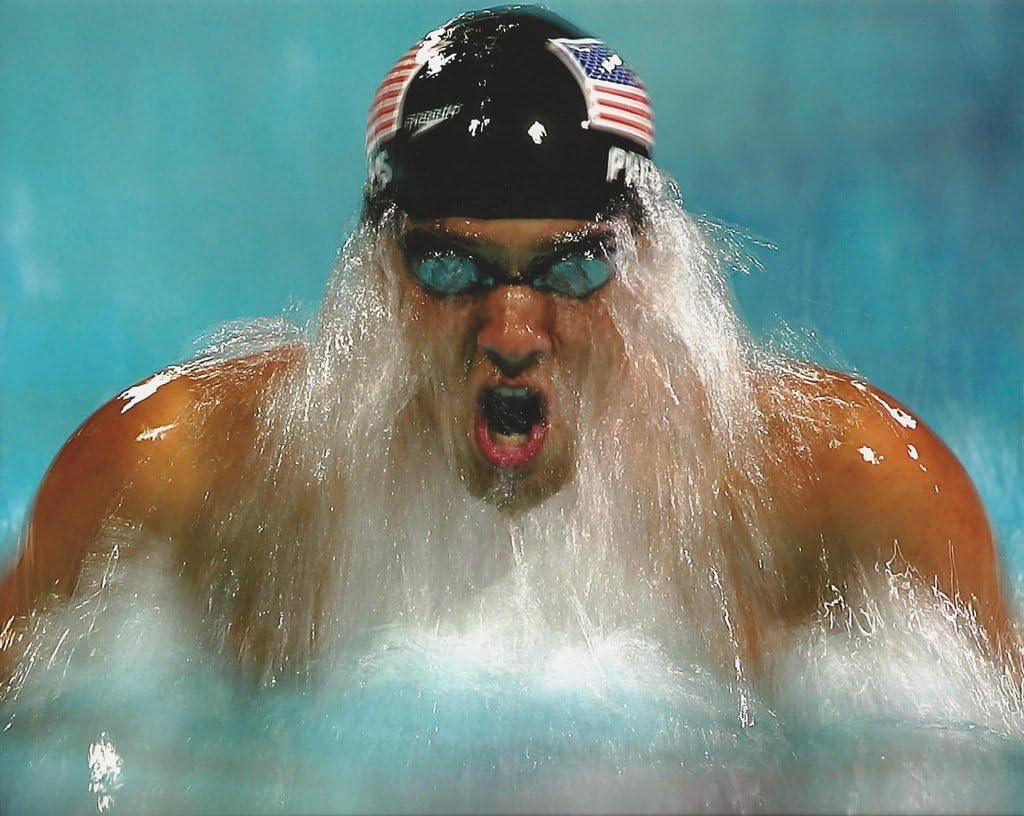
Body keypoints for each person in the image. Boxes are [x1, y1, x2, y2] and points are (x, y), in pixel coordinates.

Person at [0, 7, 1016, 689]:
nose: (513, 331)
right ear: (376, 282)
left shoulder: (852, 500)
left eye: (572, 269)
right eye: (450, 269)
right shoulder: (174, 485)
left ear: (651, 272)